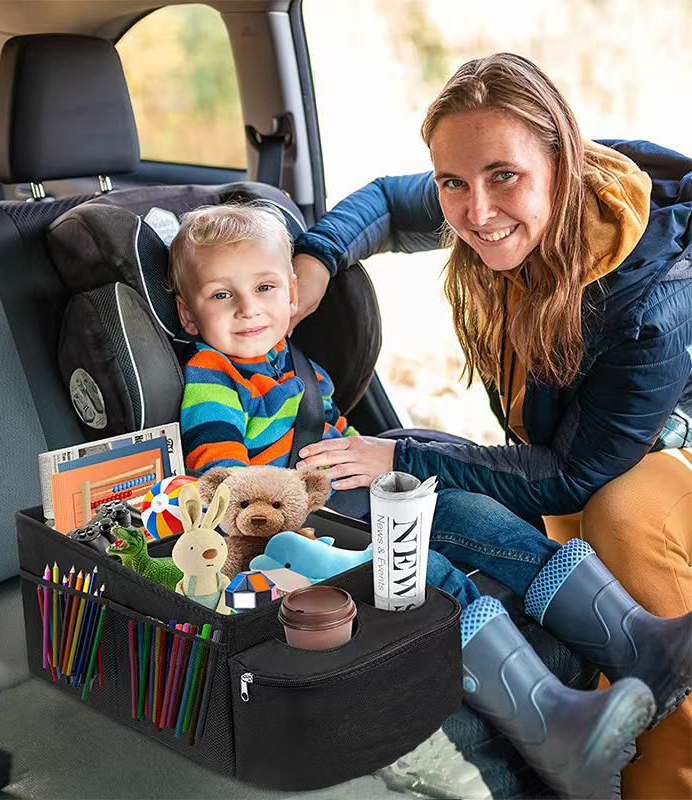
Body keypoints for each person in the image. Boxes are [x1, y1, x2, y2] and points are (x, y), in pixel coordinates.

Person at [169, 202, 691, 798]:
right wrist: (305, 491)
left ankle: (633, 641)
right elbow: (229, 485)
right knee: (423, 566)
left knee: (475, 513)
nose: (248, 308)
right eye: (222, 295)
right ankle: (553, 726)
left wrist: (372, 464)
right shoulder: (213, 378)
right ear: (188, 313)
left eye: (264, 288)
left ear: (293, 292)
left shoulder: (298, 366)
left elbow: (333, 437)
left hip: (353, 503)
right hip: (296, 535)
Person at [292, 52, 692, 798]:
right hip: (579, 453)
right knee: (416, 476)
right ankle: (585, 705)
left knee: (618, 510)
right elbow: (386, 202)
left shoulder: (653, 302)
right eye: (453, 182)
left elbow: (571, 474)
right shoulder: (490, 196)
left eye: (503, 176)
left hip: (660, 456)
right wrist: (313, 262)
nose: (476, 212)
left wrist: (399, 458)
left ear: (562, 164)